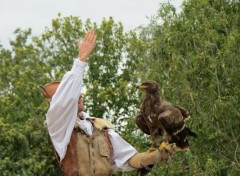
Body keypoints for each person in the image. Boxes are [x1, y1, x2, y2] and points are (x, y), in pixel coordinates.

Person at [41, 30, 177, 176]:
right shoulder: (58, 127)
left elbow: (128, 159)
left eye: (78, 92)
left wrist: (154, 156)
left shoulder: (100, 128)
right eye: (74, 94)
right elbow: (64, 100)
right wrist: (81, 59)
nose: (79, 95)